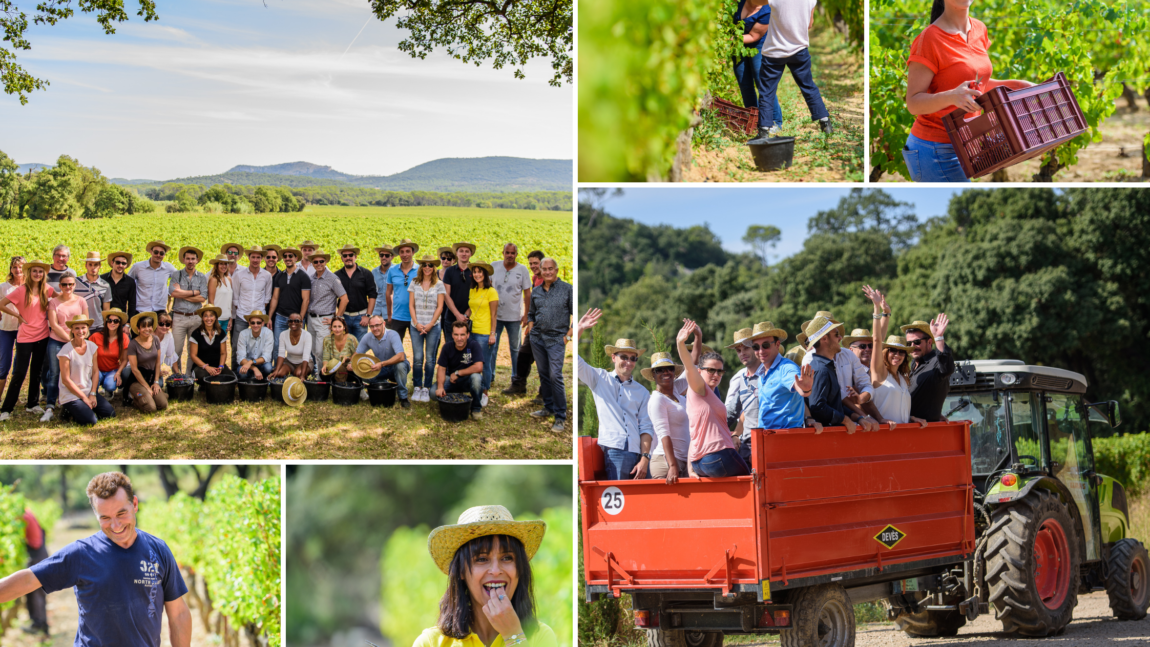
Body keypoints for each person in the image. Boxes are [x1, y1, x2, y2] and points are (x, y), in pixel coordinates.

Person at [0, 472, 192, 646]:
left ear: (134, 504)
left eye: (121, 513)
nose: (115, 525)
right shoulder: (81, 553)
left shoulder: (158, 550)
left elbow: (179, 613)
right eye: (105, 517)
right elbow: (27, 580)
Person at [903, 0, 1034, 181]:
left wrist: (1016, 85)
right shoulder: (929, 39)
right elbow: (913, 103)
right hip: (935, 148)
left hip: (966, 146)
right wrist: (952, 96)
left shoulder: (979, 29)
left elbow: (976, 86)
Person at [418, 505, 556, 647]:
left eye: (507, 558)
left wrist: (513, 635)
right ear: (461, 572)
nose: (496, 571)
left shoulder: (541, 637)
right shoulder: (430, 643)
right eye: (482, 559)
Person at [576, 309, 654, 480]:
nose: (629, 362)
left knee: (642, 505)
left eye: (633, 358)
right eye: (624, 357)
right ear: (613, 357)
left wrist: (645, 458)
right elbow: (573, 359)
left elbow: (646, 427)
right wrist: (579, 328)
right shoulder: (599, 378)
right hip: (615, 452)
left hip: (639, 454)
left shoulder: (641, 391)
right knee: (621, 503)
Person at [674, 319, 749, 477]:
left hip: (700, 462)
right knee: (752, 480)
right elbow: (688, 366)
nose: (716, 375)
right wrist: (680, 343)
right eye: (711, 370)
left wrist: (690, 468)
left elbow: (695, 434)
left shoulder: (711, 394)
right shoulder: (699, 388)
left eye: (720, 372)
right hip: (717, 456)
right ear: (699, 371)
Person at [751, 0, 832, 141]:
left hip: (774, 52)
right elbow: (810, 24)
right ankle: (825, 123)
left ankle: (763, 130)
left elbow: (754, 2)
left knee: (767, 91)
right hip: (799, 50)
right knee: (808, 85)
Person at [800, 311, 884, 430]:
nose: (840, 337)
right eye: (836, 334)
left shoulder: (826, 365)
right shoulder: (820, 369)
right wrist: (845, 419)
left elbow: (835, 403)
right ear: (824, 338)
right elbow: (818, 407)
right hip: (828, 437)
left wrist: (858, 418)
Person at [0, 260, 55, 422]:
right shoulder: (21, 290)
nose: (37, 274)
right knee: (19, 372)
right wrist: (17, 316)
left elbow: (61, 299)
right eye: (34, 271)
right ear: (29, 273)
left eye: (40, 271)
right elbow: (2, 304)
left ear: (43, 274)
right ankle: (6, 409)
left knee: (37, 371)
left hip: (43, 335)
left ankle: (32, 404)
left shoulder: (47, 289)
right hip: (25, 337)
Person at [526, 258, 571, 433]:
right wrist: (531, 330)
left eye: (550, 269)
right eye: (544, 269)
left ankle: (560, 416)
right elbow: (530, 314)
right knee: (544, 374)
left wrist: (567, 337)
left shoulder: (567, 289)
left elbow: (576, 315)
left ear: (557, 270)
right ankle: (548, 406)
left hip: (557, 340)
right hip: (538, 339)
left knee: (555, 376)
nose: (547, 272)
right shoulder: (536, 291)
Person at [733, 0, 784, 133]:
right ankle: (753, 119)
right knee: (744, 82)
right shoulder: (737, 2)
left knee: (762, 82)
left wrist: (730, 39)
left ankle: (775, 121)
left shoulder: (767, 10)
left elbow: (754, 36)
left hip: (758, 44)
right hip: (737, 45)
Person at [752, 321, 813, 433]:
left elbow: (801, 389)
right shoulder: (762, 372)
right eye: (756, 347)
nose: (760, 351)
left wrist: (805, 389)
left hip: (784, 437)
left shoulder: (786, 367)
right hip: (766, 437)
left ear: (777, 344)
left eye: (765, 345)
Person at [41, 273, 87, 421]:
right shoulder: (53, 302)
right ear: (60, 286)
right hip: (57, 341)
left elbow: (86, 323)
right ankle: (49, 407)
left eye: (71, 284)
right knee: (55, 374)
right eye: (65, 284)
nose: (68, 287)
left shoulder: (81, 301)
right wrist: (69, 340)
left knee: (74, 373)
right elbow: (54, 325)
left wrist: (77, 341)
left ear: (75, 285)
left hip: (76, 341)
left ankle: (70, 403)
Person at [56, 314, 116, 426]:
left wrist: (93, 393)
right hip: (71, 394)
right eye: (77, 328)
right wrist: (84, 398)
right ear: (72, 330)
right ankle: (67, 409)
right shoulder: (66, 350)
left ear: (87, 329)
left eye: (83, 327)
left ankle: (82, 409)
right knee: (91, 421)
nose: (80, 331)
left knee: (110, 414)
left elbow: (95, 372)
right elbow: (65, 380)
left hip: (87, 390)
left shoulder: (92, 346)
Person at [643, 352, 692, 484]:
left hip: (683, 461)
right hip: (666, 463)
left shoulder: (675, 392)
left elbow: (692, 365)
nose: (666, 372)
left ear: (674, 372)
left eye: (669, 368)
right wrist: (672, 465)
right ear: (653, 374)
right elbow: (664, 434)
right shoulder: (657, 399)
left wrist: (697, 336)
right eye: (659, 370)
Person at [491, 243, 532, 391]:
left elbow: (527, 293)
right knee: (492, 347)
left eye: (512, 253)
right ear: (503, 253)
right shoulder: (494, 267)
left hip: (514, 317)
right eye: (507, 252)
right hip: (495, 316)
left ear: (516, 254)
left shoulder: (522, 270)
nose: (509, 255)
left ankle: (516, 378)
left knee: (516, 349)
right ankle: (490, 375)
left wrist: (526, 314)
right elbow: (487, 287)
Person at [506, 250, 547, 397]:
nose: (533, 266)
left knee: (544, 362)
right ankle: (519, 385)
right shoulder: (535, 278)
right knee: (523, 355)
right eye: (531, 263)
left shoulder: (549, 281)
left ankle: (544, 394)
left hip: (546, 329)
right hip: (534, 326)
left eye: (536, 263)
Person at [902, 314, 954, 421]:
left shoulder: (936, 362)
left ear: (929, 342)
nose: (912, 346)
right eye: (909, 343)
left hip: (924, 431)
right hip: (906, 427)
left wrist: (939, 337)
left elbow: (947, 367)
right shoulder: (912, 364)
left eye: (916, 342)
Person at [409, 254, 445, 403]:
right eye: (425, 265)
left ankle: (427, 387)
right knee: (418, 358)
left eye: (431, 265)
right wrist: (417, 323)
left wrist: (430, 324)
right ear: (421, 267)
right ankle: (417, 386)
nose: (427, 268)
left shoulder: (439, 284)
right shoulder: (414, 283)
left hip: (433, 326)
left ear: (434, 268)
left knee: (430, 359)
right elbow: (411, 305)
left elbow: (440, 306)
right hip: (416, 326)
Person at [355, 314, 411, 408]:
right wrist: (351, 364)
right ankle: (384, 384)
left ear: (383, 324)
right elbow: (357, 354)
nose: (375, 328)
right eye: (372, 326)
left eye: (377, 325)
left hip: (395, 366)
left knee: (400, 366)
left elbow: (401, 357)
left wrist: (381, 364)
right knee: (359, 372)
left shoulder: (393, 334)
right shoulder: (368, 337)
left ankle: (403, 397)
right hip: (382, 368)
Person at [306, 249, 348, 373]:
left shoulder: (333, 278)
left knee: (321, 351)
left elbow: (344, 299)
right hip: (311, 318)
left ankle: (322, 377)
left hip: (324, 320)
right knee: (314, 350)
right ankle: (320, 374)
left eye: (321, 261)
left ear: (325, 262)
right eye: (315, 262)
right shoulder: (311, 278)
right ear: (312, 263)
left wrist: (336, 318)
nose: (318, 263)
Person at [268, 247, 311, 366]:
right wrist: (270, 317)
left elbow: (306, 300)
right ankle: (277, 372)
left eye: (290, 256)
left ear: (296, 258)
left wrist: (300, 318)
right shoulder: (279, 276)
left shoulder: (303, 277)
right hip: (280, 317)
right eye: (285, 256)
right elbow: (275, 298)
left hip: (296, 319)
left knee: (298, 346)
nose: (287, 258)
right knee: (277, 346)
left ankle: (297, 370)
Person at [168, 246, 207, 376]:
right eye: (188, 259)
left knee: (193, 351)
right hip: (179, 317)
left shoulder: (201, 277)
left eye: (193, 259)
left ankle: (189, 376)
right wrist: (193, 293)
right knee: (176, 350)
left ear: (197, 261)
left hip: (196, 317)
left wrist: (182, 293)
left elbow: (203, 297)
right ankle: (177, 375)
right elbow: (173, 293)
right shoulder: (176, 275)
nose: (190, 261)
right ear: (184, 260)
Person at [231, 246, 274, 367]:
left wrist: (258, 313)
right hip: (241, 315)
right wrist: (242, 309)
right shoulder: (239, 275)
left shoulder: (267, 275)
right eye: (253, 257)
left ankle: (259, 371)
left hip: (259, 316)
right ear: (249, 257)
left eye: (258, 257)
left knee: (259, 344)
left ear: (262, 258)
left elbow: (266, 298)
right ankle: (236, 375)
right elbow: (236, 297)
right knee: (236, 345)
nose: (255, 259)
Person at [724, 327, 762, 462]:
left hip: (765, 441)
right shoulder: (742, 378)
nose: (742, 353)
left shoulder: (769, 373)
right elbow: (732, 412)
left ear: (756, 347)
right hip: (746, 444)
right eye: (738, 350)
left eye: (746, 348)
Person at [436, 321, 486, 420]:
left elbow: (479, 367)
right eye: (456, 335)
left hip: (468, 380)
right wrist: (440, 387)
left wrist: (458, 373)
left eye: (462, 335)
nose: (459, 338)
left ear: (468, 335)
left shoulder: (474, 345)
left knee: (476, 378)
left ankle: (476, 409)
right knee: (433, 392)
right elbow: (441, 368)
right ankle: (454, 398)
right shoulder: (447, 347)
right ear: (452, 335)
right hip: (451, 381)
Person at [466, 260, 499, 405]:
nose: (477, 274)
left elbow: (494, 315)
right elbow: (471, 309)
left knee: (484, 363)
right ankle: (474, 388)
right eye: (475, 272)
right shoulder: (473, 290)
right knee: (471, 362)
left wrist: (492, 333)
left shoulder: (491, 291)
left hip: (484, 333)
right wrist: (464, 317)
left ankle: (485, 391)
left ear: (485, 274)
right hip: (472, 331)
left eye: (480, 272)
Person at [125, 312, 169, 412]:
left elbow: (158, 362)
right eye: (143, 327)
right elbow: (134, 370)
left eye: (149, 326)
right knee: (151, 408)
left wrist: (156, 382)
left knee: (163, 405)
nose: (147, 329)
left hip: (151, 377)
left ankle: (155, 397)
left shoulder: (156, 339)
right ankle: (134, 399)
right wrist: (147, 388)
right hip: (137, 380)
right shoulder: (133, 344)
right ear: (138, 329)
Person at [335, 244, 376, 343]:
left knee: (360, 348)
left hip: (361, 318)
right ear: (342, 258)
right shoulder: (336, 275)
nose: (348, 258)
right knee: (345, 347)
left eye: (350, 255)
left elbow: (372, 295)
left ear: (355, 257)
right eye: (345, 256)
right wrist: (336, 317)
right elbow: (332, 298)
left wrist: (368, 315)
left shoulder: (366, 273)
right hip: (343, 317)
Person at [89, 307, 130, 399]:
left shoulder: (124, 338)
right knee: (94, 379)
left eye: (116, 321)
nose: (112, 323)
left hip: (112, 370)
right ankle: (93, 394)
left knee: (110, 385)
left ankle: (108, 391)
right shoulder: (95, 336)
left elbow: (124, 360)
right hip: (97, 369)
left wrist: (118, 373)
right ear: (106, 321)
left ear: (120, 323)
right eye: (109, 320)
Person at [128, 240, 175, 320]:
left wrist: (171, 290)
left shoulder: (168, 268)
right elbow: (128, 283)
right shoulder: (138, 267)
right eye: (156, 252)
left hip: (160, 310)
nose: (158, 255)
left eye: (161, 253)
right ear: (151, 252)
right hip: (141, 310)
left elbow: (181, 278)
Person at [188, 304, 233, 384]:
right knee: (203, 376)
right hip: (202, 367)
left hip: (217, 365)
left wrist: (221, 367)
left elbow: (223, 353)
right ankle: (203, 387)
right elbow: (193, 355)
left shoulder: (221, 332)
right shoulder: (196, 333)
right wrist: (207, 367)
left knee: (231, 378)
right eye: (206, 316)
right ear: (202, 318)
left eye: (211, 316)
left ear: (215, 317)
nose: (208, 319)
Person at [21, 507, 49, 635]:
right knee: (38, 592)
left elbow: (35, 543)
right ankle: (42, 626)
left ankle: (38, 624)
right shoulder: (28, 513)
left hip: (37, 556)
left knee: (34, 592)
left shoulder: (24, 517)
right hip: (40, 555)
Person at [385, 239, 419, 341]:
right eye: (402, 252)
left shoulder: (420, 270)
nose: (405, 254)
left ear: (413, 253)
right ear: (399, 253)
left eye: (408, 251)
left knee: (417, 351)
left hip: (416, 317)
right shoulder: (392, 270)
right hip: (397, 316)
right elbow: (388, 293)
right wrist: (389, 314)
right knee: (395, 347)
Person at [0, 256, 24, 401]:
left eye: (20, 267)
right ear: (11, 269)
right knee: (3, 364)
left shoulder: (29, 286)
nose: (17, 270)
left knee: (19, 365)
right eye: (14, 267)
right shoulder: (3, 287)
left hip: (24, 329)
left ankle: (13, 397)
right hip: (6, 329)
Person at [441, 241, 475, 339]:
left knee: (468, 350)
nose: (464, 254)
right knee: (451, 349)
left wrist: (466, 315)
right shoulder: (449, 271)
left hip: (470, 318)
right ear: (456, 253)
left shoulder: (475, 271)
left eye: (467, 251)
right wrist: (457, 315)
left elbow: (478, 295)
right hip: (451, 317)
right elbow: (446, 295)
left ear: (471, 254)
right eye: (461, 251)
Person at [74, 251, 111, 335]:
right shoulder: (75, 283)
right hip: (79, 326)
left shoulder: (105, 285)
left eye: (96, 265)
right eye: (90, 264)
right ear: (85, 265)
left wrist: (106, 328)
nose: (93, 267)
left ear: (100, 266)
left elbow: (106, 310)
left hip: (98, 326)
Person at [271, 313, 313, 379]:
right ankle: (290, 375)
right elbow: (281, 354)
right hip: (289, 362)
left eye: (296, 321)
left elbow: (306, 356)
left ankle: (299, 375)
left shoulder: (307, 335)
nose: (293, 323)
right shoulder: (283, 334)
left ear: (301, 323)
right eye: (290, 321)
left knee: (298, 373)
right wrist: (276, 370)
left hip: (304, 363)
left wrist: (302, 375)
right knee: (279, 373)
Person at [235, 310, 274, 381]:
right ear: (249, 323)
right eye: (253, 323)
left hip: (261, 363)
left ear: (262, 323)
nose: (255, 325)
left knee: (268, 368)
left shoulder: (268, 333)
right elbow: (240, 358)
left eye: (258, 322)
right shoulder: (243, 334)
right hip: (247, 364)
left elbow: (266, 357)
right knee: (242, 372)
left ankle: (262, 380)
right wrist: (254, 367)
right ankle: (250, 380)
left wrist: (251, 362)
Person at [320, 316, 357, 385]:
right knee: (322, 373)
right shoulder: (327, 339)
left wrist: (349, 361)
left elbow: (357, 356)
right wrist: (325, 365)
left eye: (339, 326)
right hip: (334, 369)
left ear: (344, 327)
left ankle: (359, 388)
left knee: (357, 370)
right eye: (334, 326)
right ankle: (333, 386)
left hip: (349, 368)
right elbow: (326, 357)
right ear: (331, 328)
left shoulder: (351, 339)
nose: (337, 329)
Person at [100, 250, 136, 318]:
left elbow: (132, 304)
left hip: (121, 319)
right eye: (118, 262)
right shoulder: (102, 279)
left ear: (126, 265)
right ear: (112, 263)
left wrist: (128, 324)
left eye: (123, 263)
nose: (120, 265)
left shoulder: (130, 282)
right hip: (103, 319)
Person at [206, 254, 234, 335]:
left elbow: (230, 300)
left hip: (227, 318)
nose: (224, 266)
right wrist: (213, 319)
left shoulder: (228, 279)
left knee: (223, 343)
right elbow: (211, 302)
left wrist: (231, 318)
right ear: (217, 265)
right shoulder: (213, 280)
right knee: (214, 344)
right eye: (221, 264)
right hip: (217, 319)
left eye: (225, 264)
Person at [370, 244, 394, 320]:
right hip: (376, 311)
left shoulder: (396, 271)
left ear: (392, 257)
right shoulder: (374, 272)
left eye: (387, 255)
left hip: (391, 312)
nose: (384, 257)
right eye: (381, 255)